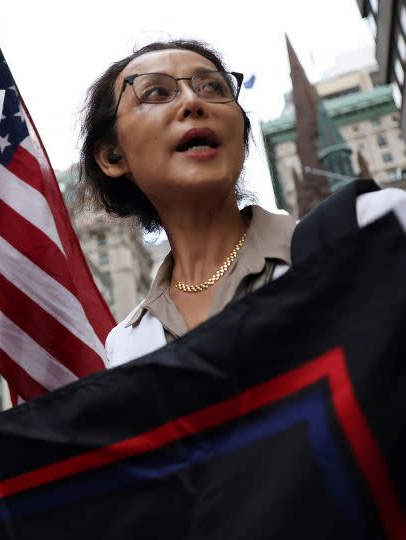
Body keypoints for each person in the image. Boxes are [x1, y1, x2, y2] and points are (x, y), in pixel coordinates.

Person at [79, 39, 404, 368]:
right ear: (112, 155)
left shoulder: (374, 225)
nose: (193, 101)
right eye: (156, 93)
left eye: (212, 86)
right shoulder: (126, 347)